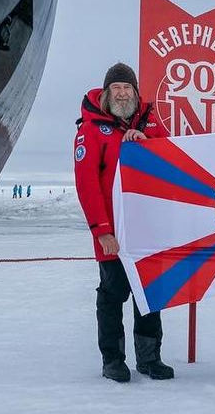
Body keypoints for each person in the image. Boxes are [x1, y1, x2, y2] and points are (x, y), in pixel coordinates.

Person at [74, 62, 175, 383]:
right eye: (116, 88)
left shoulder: (152, 124)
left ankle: (149, 358)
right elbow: (87, 184)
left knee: (149, 296)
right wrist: (101, 231)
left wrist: (146, 140)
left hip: (148, 232)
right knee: (112, 295)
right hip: (113, 234)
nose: (121, 93)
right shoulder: (91, 130)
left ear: (135, 92)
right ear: (106, 93)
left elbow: (174, 160)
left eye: (127, 88)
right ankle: (113, 360)